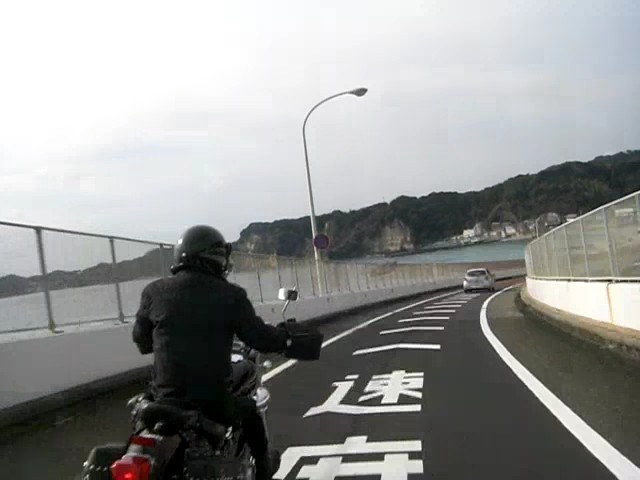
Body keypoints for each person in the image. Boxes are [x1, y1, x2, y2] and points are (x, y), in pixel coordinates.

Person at [132, 225, 288, 480]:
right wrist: (285, 336)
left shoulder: (153, 291)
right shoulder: (230, 294)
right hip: (213, 404)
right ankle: (263, 469)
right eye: (218, 255)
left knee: (142, 412)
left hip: (165, 400)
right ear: (211, 259)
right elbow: (260, 338)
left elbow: (142, 342)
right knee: (250, 409)